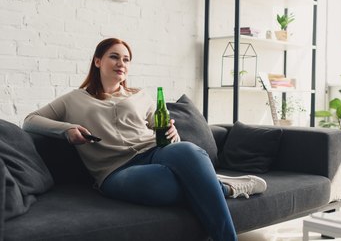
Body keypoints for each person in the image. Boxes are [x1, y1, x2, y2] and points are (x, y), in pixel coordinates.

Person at [23, 38, 267, 241]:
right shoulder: (73, 99)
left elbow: (162, 129)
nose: (121, 63)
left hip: (154, 151)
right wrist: (67, 130)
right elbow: (30, 120)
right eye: (114, 57)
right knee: (167, 186)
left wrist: (172, 131)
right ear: (98, 61)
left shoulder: (139, 95)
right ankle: (222, 186)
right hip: (115, 171)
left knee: (190, 151)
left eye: (126, 59)